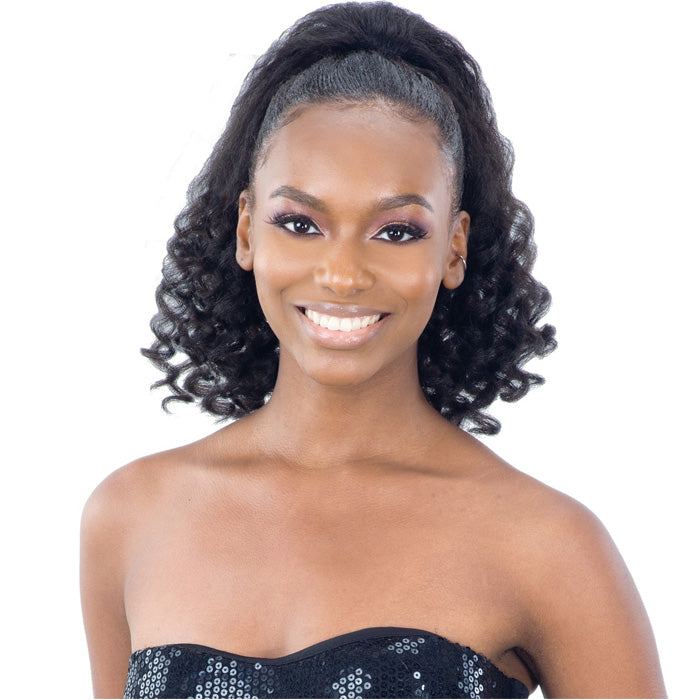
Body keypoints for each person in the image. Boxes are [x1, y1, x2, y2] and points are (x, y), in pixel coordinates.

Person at [80, 2, 666, 698]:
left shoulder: (548, 545)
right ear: (246, 231)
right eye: (300, 223)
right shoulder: (129, 518)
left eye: (395, 232)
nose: (342, 275)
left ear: (454, 248)